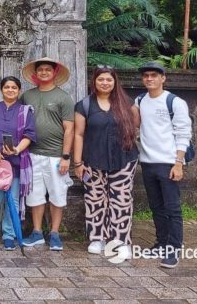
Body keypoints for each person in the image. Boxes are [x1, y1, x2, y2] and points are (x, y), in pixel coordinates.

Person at [0, 57, 75, 250]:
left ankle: (55, 233)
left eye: (47, 69)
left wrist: (66, 156)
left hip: (56, 155)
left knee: (57, 194)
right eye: (40, 69)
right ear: (35, 74)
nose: (44, 72)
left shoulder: (63, 98)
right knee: (34, 195)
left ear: (54, 72)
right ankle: (37, 232)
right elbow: (10, 106)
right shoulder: (28, 96)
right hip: (31, 154)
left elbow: (69, 129)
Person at [72, 66, 139, 260]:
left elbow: (136, 125)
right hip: (92, 159)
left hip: (124, 158)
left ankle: (121, 241)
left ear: (115, 81)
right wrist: (78, 162)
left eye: (109, 79)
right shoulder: (84, 105)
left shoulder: (127, 103)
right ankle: (97, 238)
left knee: (121, 199)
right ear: (94, 81)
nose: (105, 83)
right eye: (101, 79)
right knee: (94, 198)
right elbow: (78, 134)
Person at [135, 61, 191, 269]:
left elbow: (183, 133)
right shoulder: (140, 100)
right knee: (156, 206)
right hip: (147, 162)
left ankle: (173, 249)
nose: (149, 79)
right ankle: (161, 243)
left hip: (168, 163)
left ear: (163, 78)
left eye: (154, 75)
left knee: (172, 208)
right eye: (146, 76)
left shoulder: (174, 102)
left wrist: (178, 163)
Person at [0, 76, 36, 250]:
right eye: (7, 87)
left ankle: (9, 235)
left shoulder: (25, 111)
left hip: (15, 163)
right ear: (1, 89)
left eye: (14, 87)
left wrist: (17, 149)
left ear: (19, 90)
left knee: (13, 200)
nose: (10, 90)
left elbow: (29, 135)